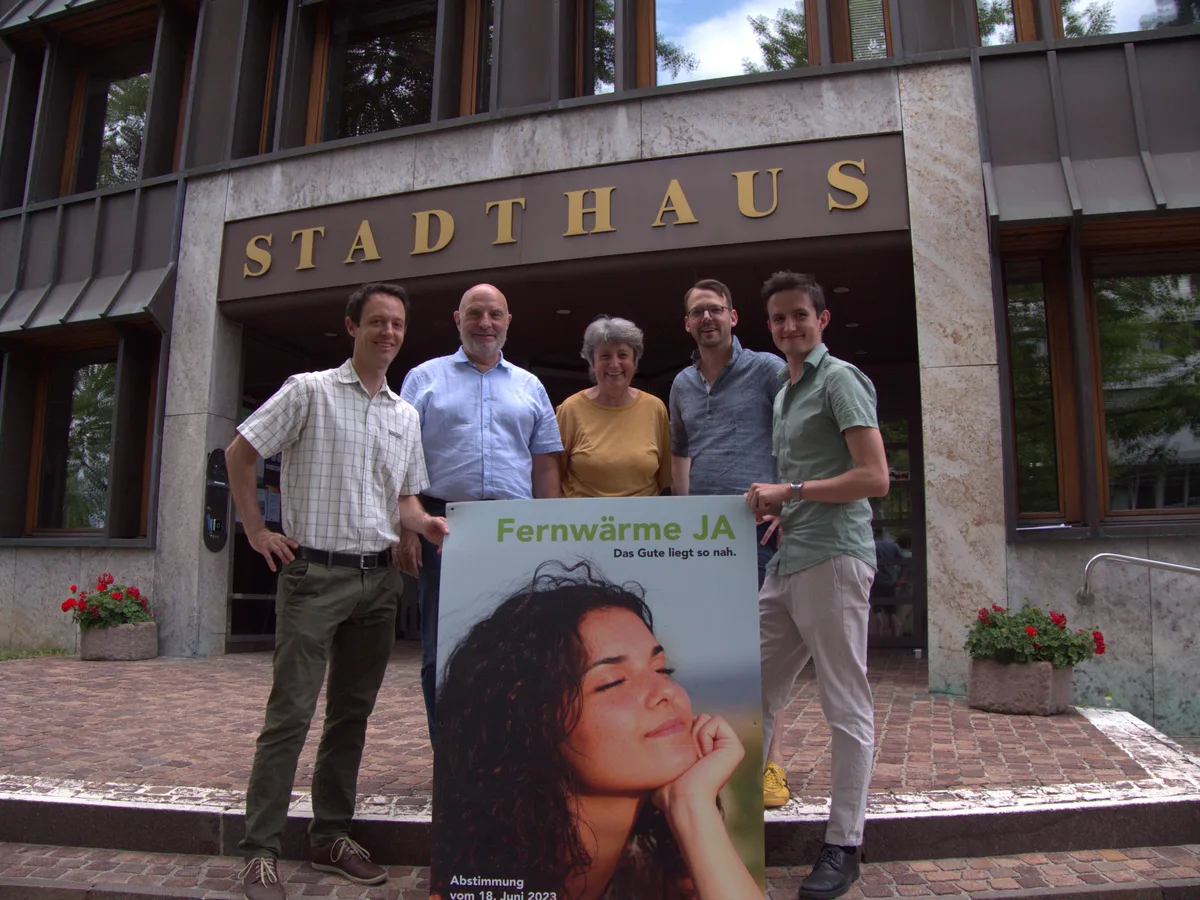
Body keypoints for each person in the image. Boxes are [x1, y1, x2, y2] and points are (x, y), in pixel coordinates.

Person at [226, 282, 450, 900]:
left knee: (351, 715)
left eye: (397, 324)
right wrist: (255, 529)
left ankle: (330, 836)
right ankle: (260, 851)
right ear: (351, 326)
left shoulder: (405, 415)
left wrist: (425, 524)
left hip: (377, 580)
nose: (388, 333)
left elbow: (403, 501)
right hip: (313, 575)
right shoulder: (308, 392)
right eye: (376, 321)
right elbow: (239, 453)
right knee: (290, 715)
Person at [432, 562, 762, 900]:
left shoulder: (670, 878)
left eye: (663, 670)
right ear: (533, 724)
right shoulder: (484, 889)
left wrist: (691, 804)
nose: (666, 692)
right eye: (613, 682)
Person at [745, 271, 889, 900]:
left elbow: (874, 477)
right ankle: (732, 819)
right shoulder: (785, 389)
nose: (788, 327)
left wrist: (791, 492)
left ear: (821, 319)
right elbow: (813, 474)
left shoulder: (840, 380)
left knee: (844, 704)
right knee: (747, 689)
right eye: (778, 319)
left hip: (835, 561)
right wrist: (785, 509)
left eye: (799, 315)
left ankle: (844, 845)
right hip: (790, 560)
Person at [399, 283, 563, 737]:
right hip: (442, 524)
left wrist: (550, 532)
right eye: (475, 314)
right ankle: (449, 757)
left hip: (515, 530)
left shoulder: (530, 386)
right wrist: (406, 528)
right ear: (458, 319)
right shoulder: (423, 377)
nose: (485, 324)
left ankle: (508, 754)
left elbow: (545, 464)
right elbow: (402, 459)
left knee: (519, 644)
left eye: (495, 315)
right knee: (441, 646)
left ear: (508, 321)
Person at [668, 278, 785, 586]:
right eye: (697, 312)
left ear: (732, 317)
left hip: (757, 527)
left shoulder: (767, 370)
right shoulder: (681, 384)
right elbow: (680, 450)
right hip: (702, 531)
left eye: (714, 310)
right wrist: (683, 513)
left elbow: (798, 436)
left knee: (761, 629)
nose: (706, 318)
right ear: (687, 324)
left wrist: (791, 504)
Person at [557, 316, 671, 497]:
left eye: (623, 355)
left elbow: (664, 479)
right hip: (583, 523)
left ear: (635, 361)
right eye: (605, 356)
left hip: (644, 523)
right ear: (592, 363)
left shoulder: (655, 408)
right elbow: (553, 476)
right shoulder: (570, 410)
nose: (615, 364)